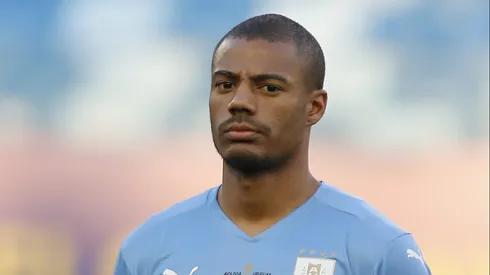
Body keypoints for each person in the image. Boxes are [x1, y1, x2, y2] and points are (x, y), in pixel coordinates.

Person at [114, 13, 432, 275]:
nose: (239, 102)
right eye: (225, 84)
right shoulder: (147, 250)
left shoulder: (378, 251)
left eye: (268, 88)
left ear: (315, 107)